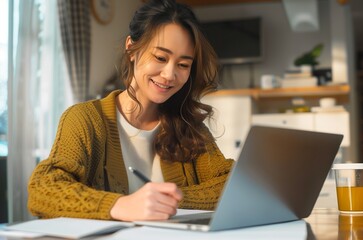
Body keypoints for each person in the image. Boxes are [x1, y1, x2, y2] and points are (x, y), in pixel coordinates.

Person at [27, 0, 233, 221]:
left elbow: (231, 184)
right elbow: (43, 190)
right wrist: (120, 205)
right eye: (160, 58)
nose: (169, 74)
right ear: (131, 49)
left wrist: (168, 200)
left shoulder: (189, 126)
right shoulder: (84, 119)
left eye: (183, 64)